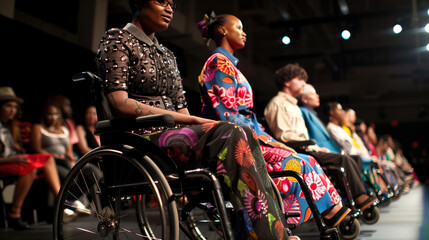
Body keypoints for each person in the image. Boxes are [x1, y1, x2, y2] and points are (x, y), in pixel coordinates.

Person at [95, 1, 290, 239]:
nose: (169, 9)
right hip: (141, 135)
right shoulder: (117, 39)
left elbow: (182, 110)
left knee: (242, 132)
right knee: (232, 134)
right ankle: (267, 236)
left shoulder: (167, 54)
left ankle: (266, 230)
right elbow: (119, 103)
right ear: (138, 3)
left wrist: (196, 122)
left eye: (172, 4)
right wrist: (191, 121)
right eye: (161, 2)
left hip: (174, 131)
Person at [197, 13, 351, 228]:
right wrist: (266, 140)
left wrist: (269, 139)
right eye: (239, 28)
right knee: (299, 162)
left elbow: (246, 116)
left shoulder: (231, 65)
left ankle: (318, 213)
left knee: (303, 159)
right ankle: (316, 214)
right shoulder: (218, 63)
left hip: (248, 133)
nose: (244, 33)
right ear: (222, 30)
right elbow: (228, 115)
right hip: (234, 138)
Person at [263, 64, 376, 212]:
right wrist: (313, 146)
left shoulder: (293, 105)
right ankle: (357, 197)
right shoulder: (278, 104)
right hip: (297, 150)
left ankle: (354, 198)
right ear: (287, 82)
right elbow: (284, 136)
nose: (304, 83)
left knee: (346, 158)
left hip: (305, 147)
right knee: (342, 159)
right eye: (299, 79)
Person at [0, 86, 62, 230]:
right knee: (29, 168)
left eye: (15, 107)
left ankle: (60, 198)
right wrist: (14, 159)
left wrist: (16, 157)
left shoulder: (11, 126)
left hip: (12, 160)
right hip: (5, 162)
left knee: (46, 158)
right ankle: (14, 213)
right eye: (8, 106)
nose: (12, 110)